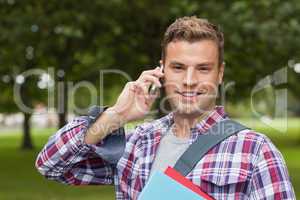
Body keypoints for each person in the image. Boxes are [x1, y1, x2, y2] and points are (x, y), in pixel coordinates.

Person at [36, 16, 295, 199]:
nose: (190, 80)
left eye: (203, 69)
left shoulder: (256, 152)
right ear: (162, 70)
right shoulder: (138, 142)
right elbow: (52, 165)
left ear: (220, 73)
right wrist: (116, 115)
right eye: (178, 67)